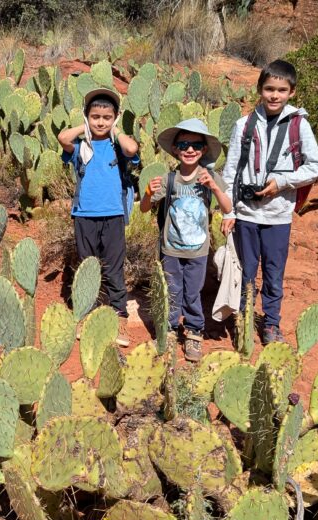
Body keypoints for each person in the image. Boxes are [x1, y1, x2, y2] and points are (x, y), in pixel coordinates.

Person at [221, 59, 318, 344]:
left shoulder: (298, 125)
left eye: (281, 89)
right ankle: (243, 319)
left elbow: (316, 166)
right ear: (259, 89)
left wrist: (281, 182)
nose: (274, 95)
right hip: (245, 213)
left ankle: (271, 323)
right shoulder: (243, 125)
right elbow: (231, 171)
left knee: (273, 272)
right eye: (269, 89)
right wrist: (228, 212)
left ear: (292, 91)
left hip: (278, 214)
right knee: (245, 271)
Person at [140, 119, 232, 361]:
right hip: (170, 248)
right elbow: (144, 208)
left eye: (196, 145)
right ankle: (169, 330)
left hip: (199, 251)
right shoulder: (169, 179)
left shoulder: (209, 177)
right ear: (175, 150)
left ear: (203, 150)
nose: (189, 149)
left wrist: (215, 188)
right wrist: (149, 192)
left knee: (193, 292)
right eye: (183, 144)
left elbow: (227, 207)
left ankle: (193, 332)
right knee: (172, 290)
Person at [58, 88, 139, 347]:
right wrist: (84, 127)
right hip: (84, 215)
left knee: (114, 268)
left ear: (115, 117)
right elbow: (62, 138)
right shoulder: (81, 146)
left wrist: (115, 130)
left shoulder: (116, 146)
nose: (101, 121)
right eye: (95, 116)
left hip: (113, 215)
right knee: (87, 266)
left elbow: (132, 147)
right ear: (87, 117)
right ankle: (86, 313)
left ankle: (119, 316)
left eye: (107, 117)